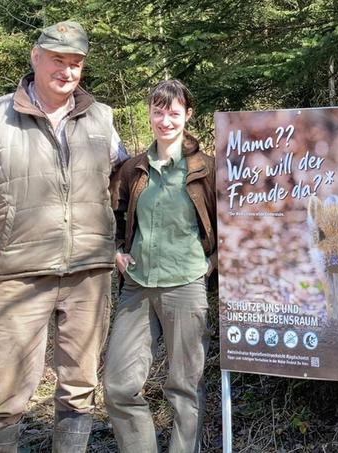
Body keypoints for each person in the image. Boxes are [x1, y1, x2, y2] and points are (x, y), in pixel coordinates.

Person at [0, 20, 129, 452]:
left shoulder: (101, 118)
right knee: (5, 390)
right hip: (18, 275)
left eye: (76, 63)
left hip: (89, 273)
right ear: (36, 57)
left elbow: (126, 185)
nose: (67, 71)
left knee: (80, 385)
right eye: (58, 60)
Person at [103, 79, 217, 453]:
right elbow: (112, 213)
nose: (165, 120)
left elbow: (232, 223)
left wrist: (212, 262)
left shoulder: (206, 169)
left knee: (185, 387)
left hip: (186, 284)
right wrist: (116, 250)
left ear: (188, 115)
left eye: (174, 112)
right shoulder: (133, 168)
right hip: (137, 285)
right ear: (149, 114)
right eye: (158, 112)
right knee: (119, 385)